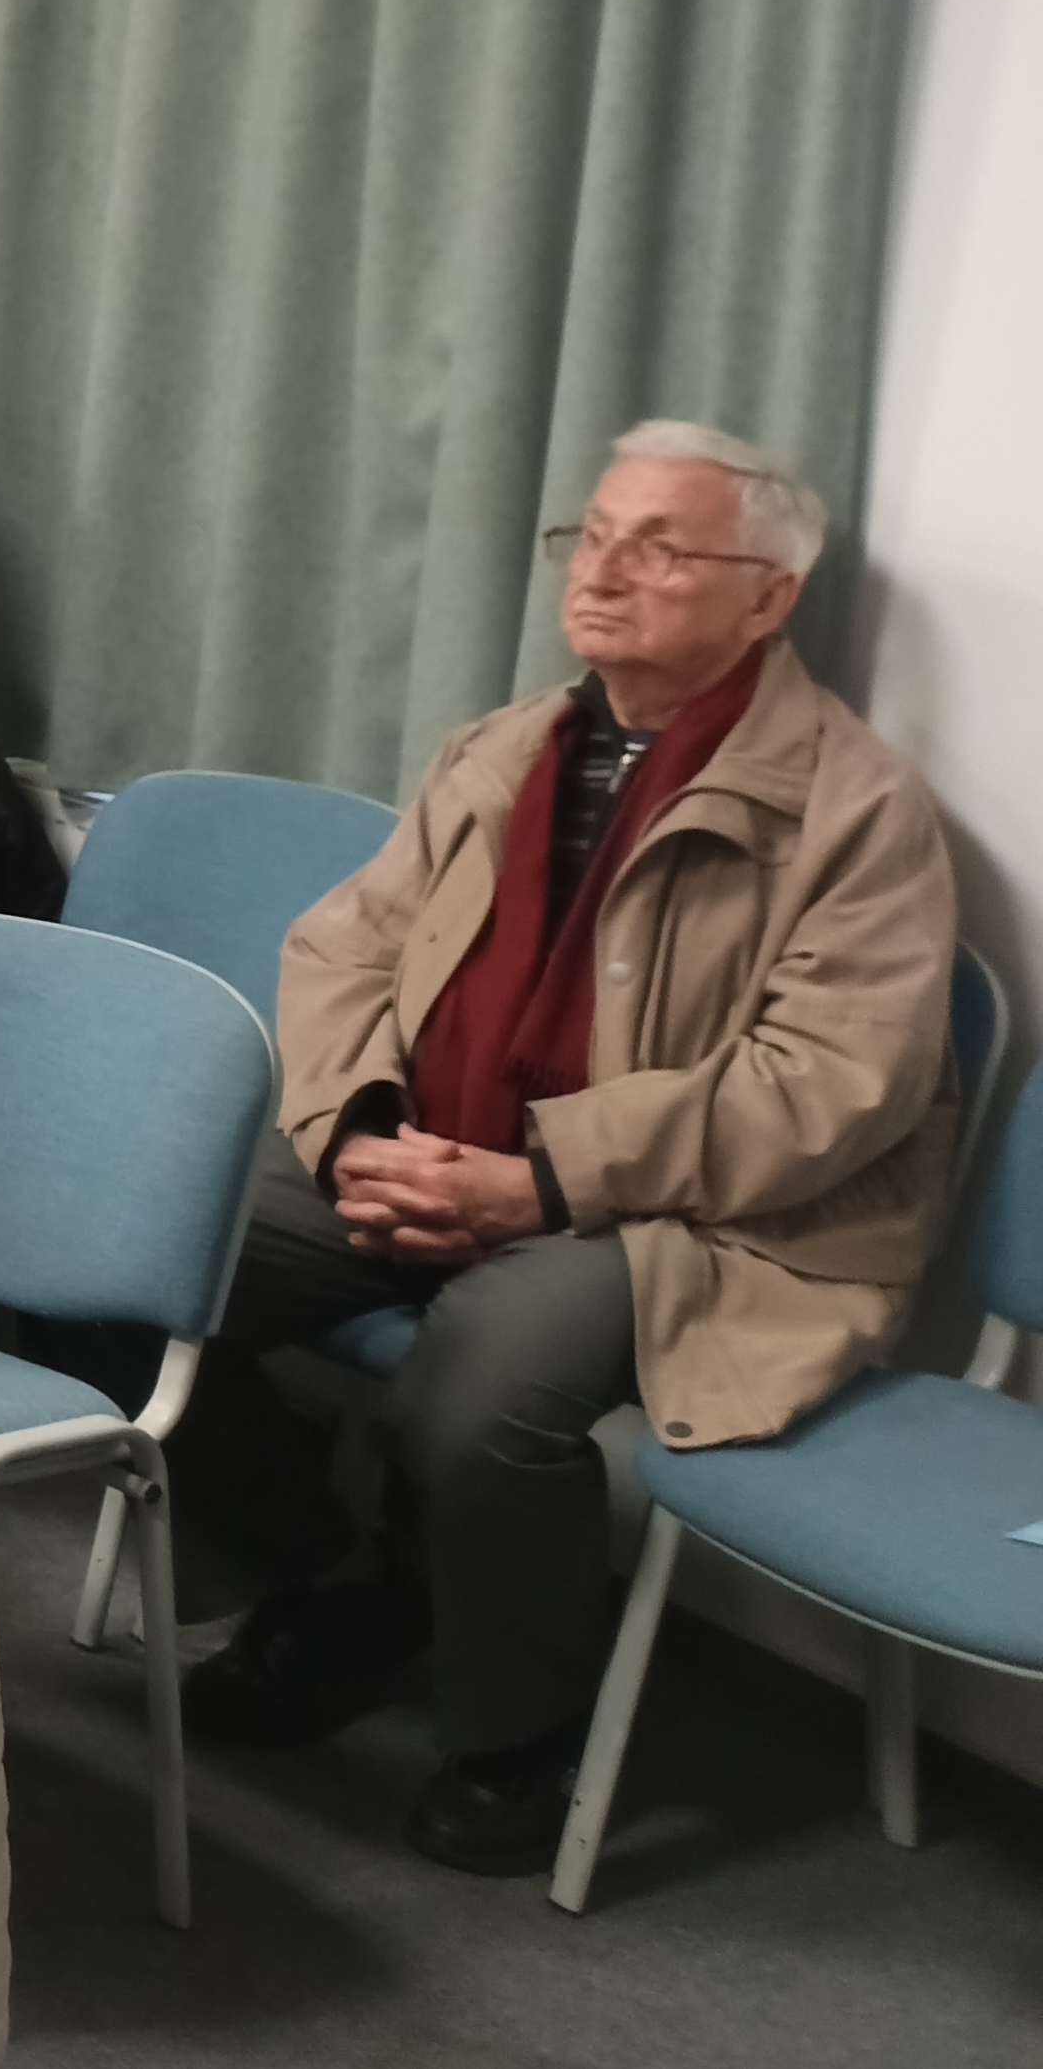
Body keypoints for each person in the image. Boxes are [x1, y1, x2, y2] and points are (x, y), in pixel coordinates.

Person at [171, 423, 957, 1877]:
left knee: (482, 1393)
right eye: (589, 535)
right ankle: (342, 1584)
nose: (602, 569)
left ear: (770, 595)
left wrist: (539, 1181)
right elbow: (344, 948)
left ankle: (513, 1728)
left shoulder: (857, 811)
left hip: (679, 1215)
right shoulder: (505, 746)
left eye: (658, 546)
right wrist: (360, 1130)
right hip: (429, 1143)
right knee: (147, 1240)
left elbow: (829, 1086)